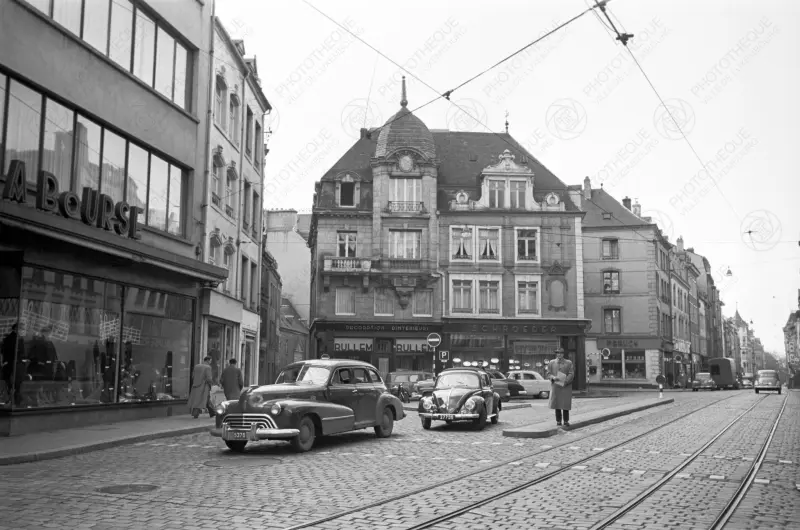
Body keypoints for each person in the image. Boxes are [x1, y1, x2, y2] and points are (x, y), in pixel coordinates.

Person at [547, 348, 574, 427]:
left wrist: (565, 381)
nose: (559, 354)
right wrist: (553, 377)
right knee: (557, 404)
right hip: (556, 386)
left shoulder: (568, 363)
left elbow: (571, 373)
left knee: (565, 404)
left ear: (563, 354)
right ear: (556, 354)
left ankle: (566, 421)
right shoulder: (551, 362)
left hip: (566, 386)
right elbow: (548, 374)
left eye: (561, 353)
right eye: (558, 353)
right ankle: (558, 421)